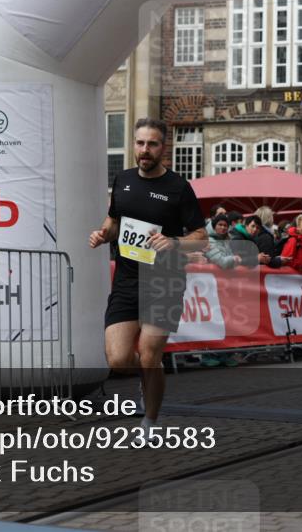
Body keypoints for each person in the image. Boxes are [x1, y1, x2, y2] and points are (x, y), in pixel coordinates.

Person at [88, 118, 206, 437]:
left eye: (152, 144)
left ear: (162, 148)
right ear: (134, 145)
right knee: (118, 358)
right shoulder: (124, 179)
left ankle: (150, 421)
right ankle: (147, 381)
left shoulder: (178, 187)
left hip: (164, 282)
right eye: (140, 143)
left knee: (151, 355)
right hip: (127, 281)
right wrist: (103, 234)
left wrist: (175, 242)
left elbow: (202, 237)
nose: (145, 150)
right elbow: (114, 219)